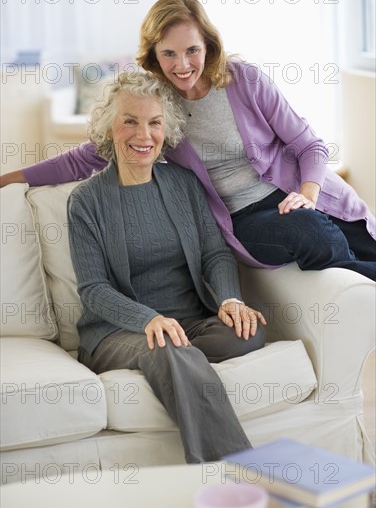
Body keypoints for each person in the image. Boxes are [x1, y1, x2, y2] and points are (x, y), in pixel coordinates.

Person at [2, 0, 375, 280]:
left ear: (208, 45)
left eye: (192, 50)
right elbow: (86, 157)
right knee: (314, 235)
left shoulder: (243, 79)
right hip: (246, 219)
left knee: (360, 240)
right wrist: (8, 178)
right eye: (169, 54)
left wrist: (307, 195)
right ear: (153, 55)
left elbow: (309, 144)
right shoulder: (155, 103)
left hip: (303, 193)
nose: (182, 66)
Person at [67, 70, 266, 464]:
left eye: (154, 122)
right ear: (110, 128)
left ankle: (177, 364)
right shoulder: (86, 202)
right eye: (130, 121)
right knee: (168, 347)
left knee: (248, 332)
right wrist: (147, 319)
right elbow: (93, 288)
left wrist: (230, 299)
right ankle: (236, 474)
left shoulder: (183, 184)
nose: (144, 135)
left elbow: (215, 253)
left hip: (188, 322)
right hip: (118, 332)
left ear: (166, 129)